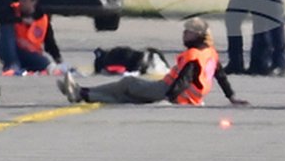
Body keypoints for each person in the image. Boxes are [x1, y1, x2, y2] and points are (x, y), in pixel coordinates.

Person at [57, 17, 249, 107]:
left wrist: (168, 99)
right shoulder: (210, 53)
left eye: (188, 31)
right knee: (124, 97)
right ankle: (81, 94)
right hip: (187, 97)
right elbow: (221, 76)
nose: (184, 34)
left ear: (197, 35)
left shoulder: (193, 55)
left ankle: (81, 92)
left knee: (128, 83)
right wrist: (231, 97)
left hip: (168, 91)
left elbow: (183, 79)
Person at [0, 0, 63, 74]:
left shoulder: (42, 18)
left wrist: (58, 58)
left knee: (47, 65)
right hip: (13, 50)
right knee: (6, 26)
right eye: (20, 0)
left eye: (25, 1)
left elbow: (49, 42)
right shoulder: (12, 11)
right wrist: (21, 20)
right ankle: (12, 65)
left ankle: (25, 67)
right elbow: (2, 18)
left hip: (31, 54)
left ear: (33, 2)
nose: (21, 4)